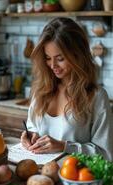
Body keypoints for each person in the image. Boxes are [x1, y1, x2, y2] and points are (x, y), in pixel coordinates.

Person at [21, 17, 113, 161]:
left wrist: (64, 146)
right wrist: (31, 135)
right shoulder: (41, 89)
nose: (52, 65)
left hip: (75, 179)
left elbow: (105, 154)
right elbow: (33, 126)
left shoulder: (96, 96)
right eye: (47, 57)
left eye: (60, 58)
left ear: (78, 55)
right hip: (40, 175)